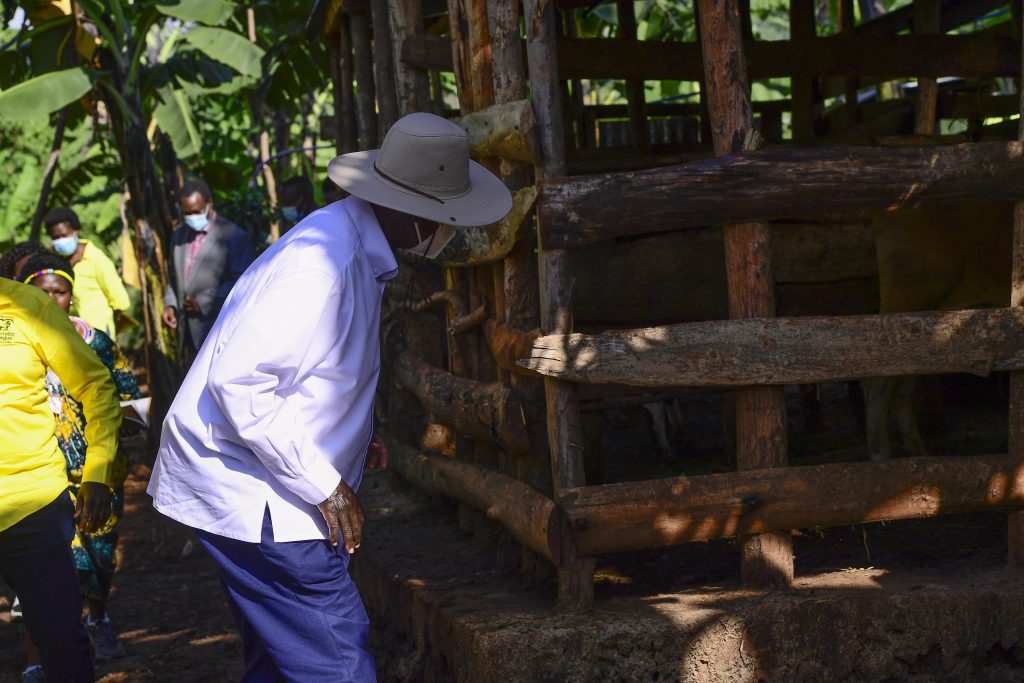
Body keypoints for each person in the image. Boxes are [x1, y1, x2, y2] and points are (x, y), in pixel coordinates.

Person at [148, 113, 512, 681]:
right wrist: (326, 485)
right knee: (335, 661)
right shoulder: (321, 265)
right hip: (255, 491)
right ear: (411, 212)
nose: (447, 234)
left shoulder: (348, 248)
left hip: (255, 477)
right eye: (444, 220)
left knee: (278, 661)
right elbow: (242, 381)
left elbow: (307, 372)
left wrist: (353, 439)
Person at [19, 253, 141, 668]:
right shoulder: (20, 330)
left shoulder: (95, 342)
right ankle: (42, 654)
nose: (52, 298)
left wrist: (106, 461)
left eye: (61, 291)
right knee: (61, 566)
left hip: (90, 469)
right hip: (51, 470)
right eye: (44, 291)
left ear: (72, 296)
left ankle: (97, 617)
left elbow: (118, 393)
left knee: (98, 551)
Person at [0, 270, 121, 683]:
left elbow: (95, 385)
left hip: (31, 502)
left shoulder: (27, 307)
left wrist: (98, 472)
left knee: (60, 637)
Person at [162, 179, 253, 366]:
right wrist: (170, 304)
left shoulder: (233, 236)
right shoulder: (179, 236)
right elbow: (174, 277)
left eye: (196, 212)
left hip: (217, 327)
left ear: (208, 204)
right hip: (186, 330)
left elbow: (243, 283)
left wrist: (204, 301)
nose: (192, 217)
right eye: (187, 213)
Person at [44, 206, 132, 337]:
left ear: (75, 231)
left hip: (98, 332)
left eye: (64, 235)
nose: (61, 241)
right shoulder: (54, 263)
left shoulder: (95, 258)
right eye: (56, 237)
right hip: (70, 335)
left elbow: (119, 299)